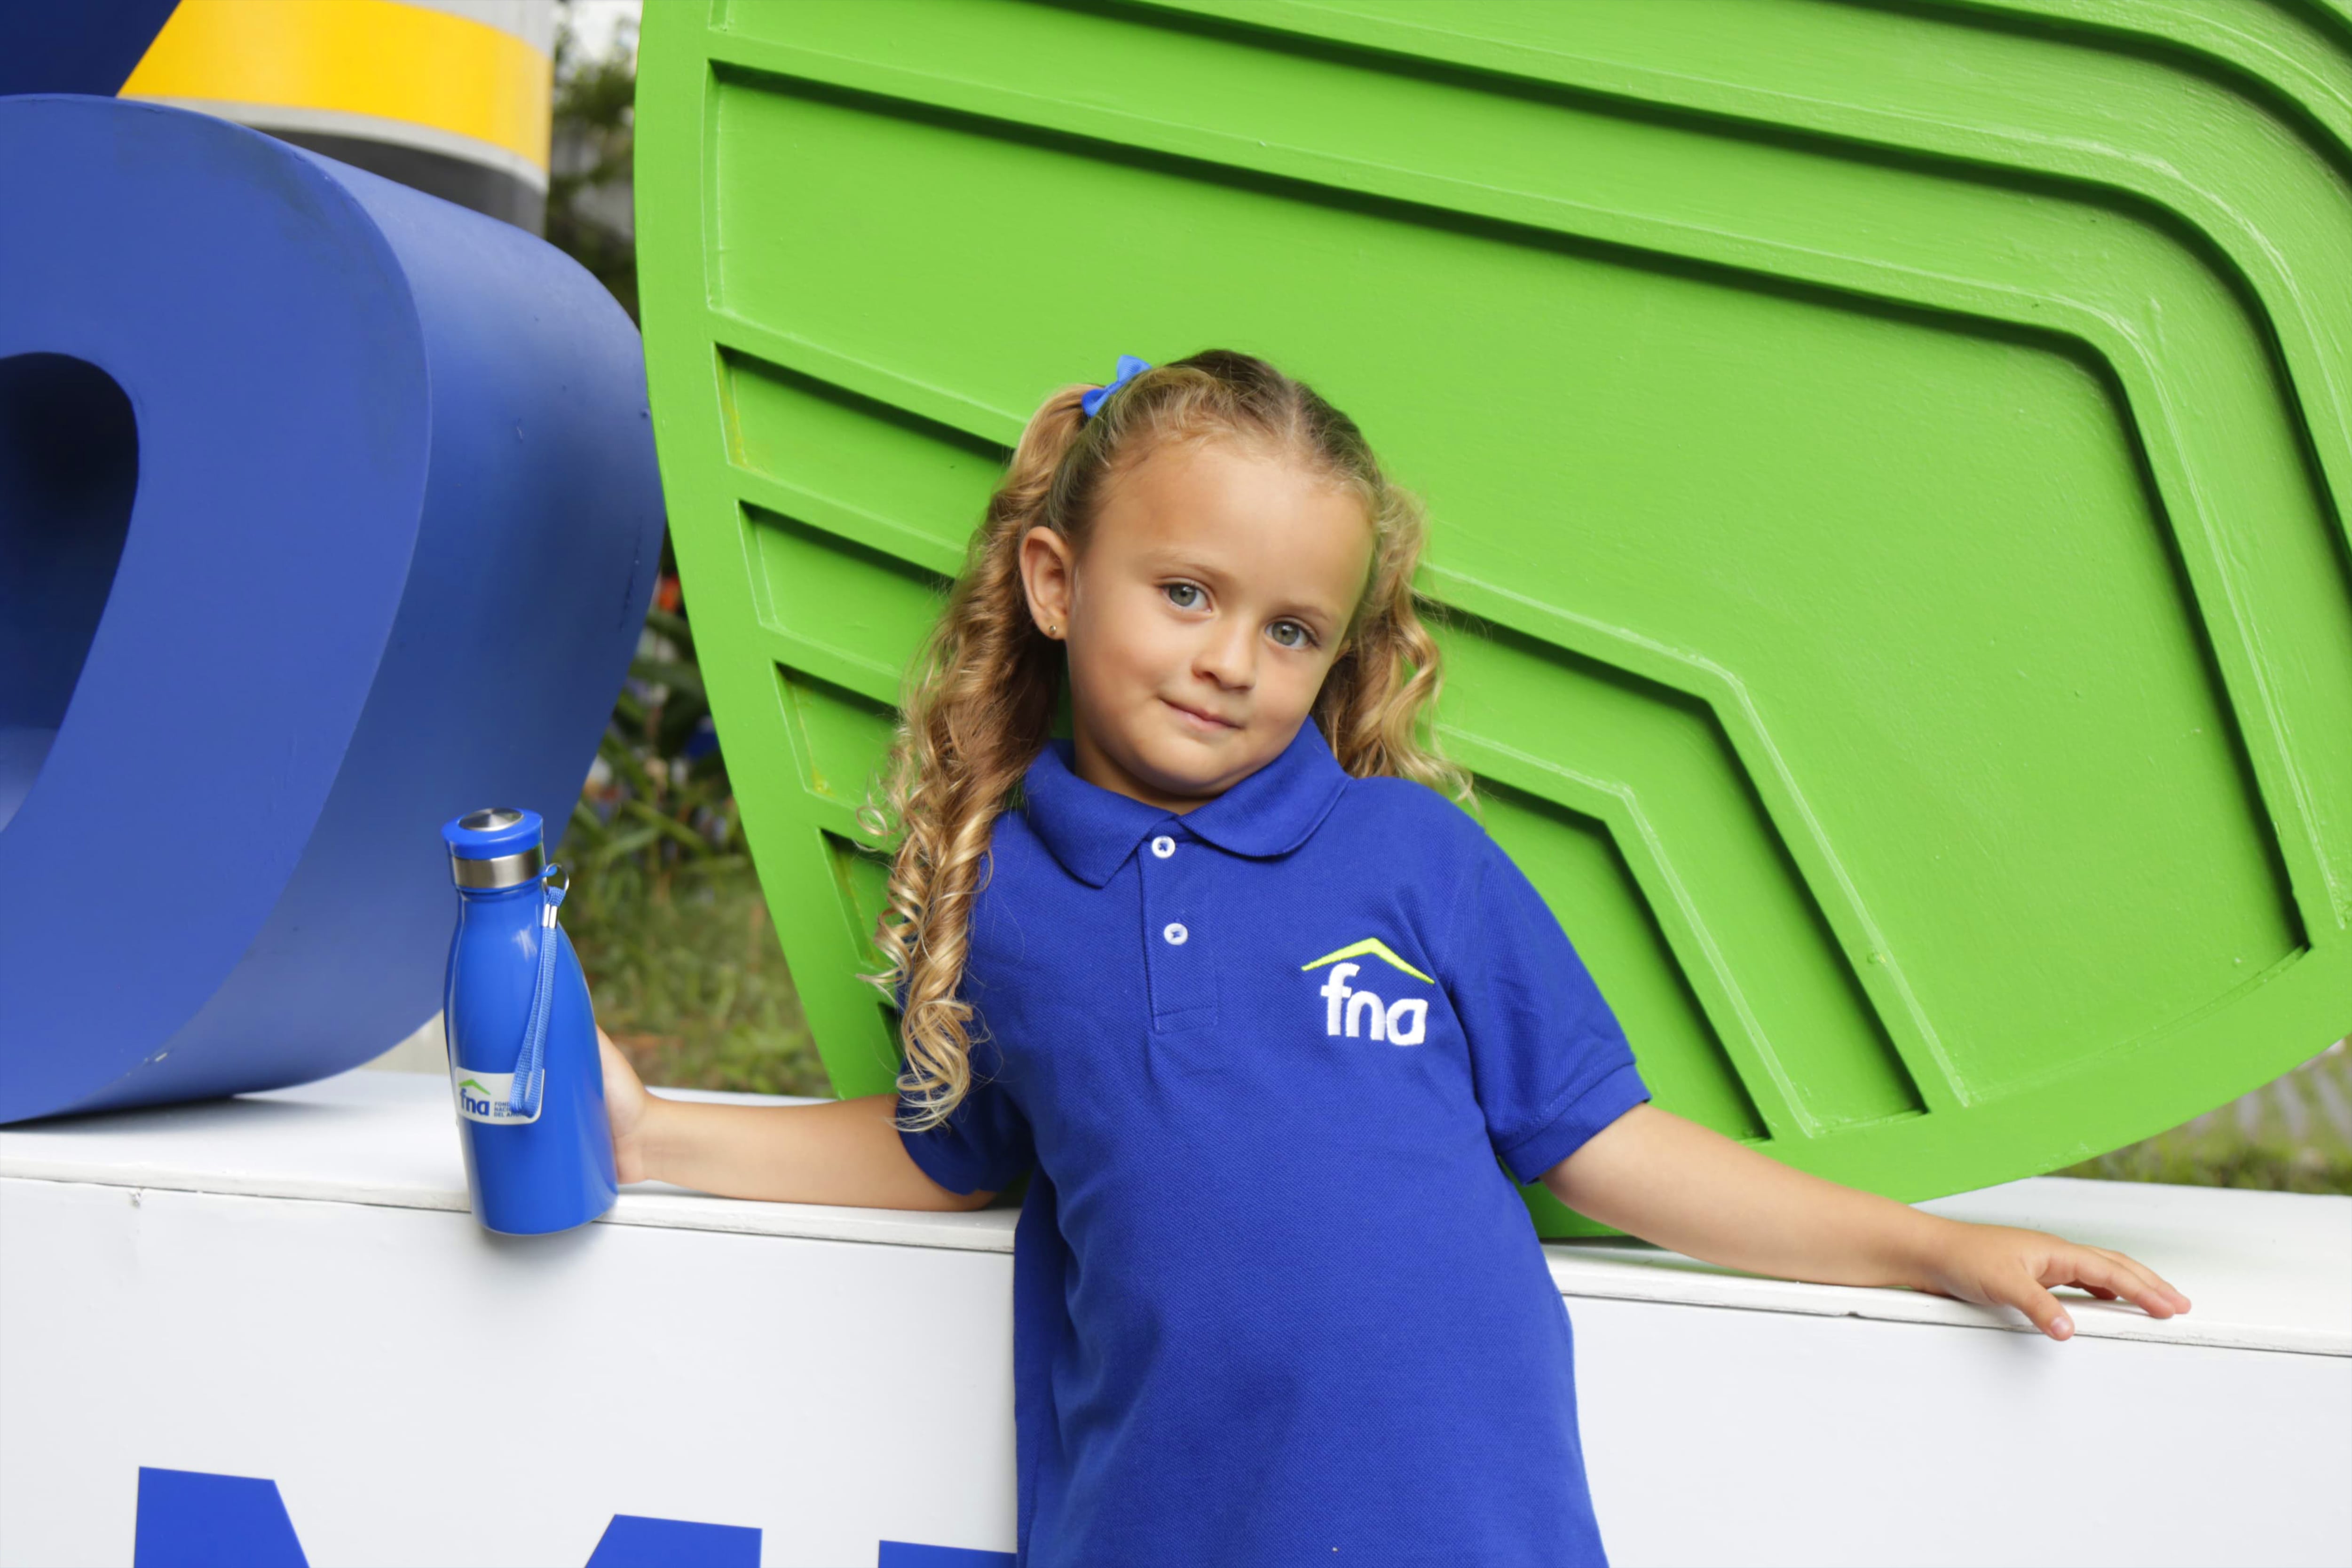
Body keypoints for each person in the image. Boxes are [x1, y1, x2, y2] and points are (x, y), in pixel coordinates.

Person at [597, 349, 2189, 1567]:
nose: (1232, 659)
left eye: (1291, 629)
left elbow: (1608, 1144)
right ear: (1056, 583)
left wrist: (1933, 1248)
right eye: (1186, 593)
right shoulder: (1006, 894)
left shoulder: (1412, 862)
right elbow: (952, 1153)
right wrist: (657, 1134)